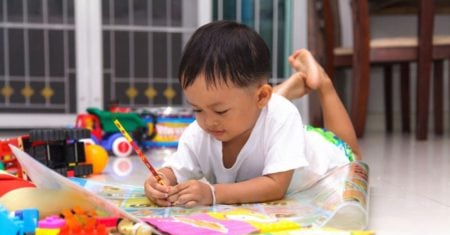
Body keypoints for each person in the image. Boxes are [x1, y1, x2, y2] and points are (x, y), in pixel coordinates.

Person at [144, 20, 360, 208]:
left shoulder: (283, 117)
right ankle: (287, 89)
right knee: (257, 106)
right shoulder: (199, 132)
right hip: (266, 115)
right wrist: (160, 180)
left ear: (261, 97)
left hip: (320, 149)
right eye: (197, 109)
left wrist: (213, 193)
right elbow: (176, 168)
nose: (208, 121)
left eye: (221, 111)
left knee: (355, 161)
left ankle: (321, 82)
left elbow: (276, 186)